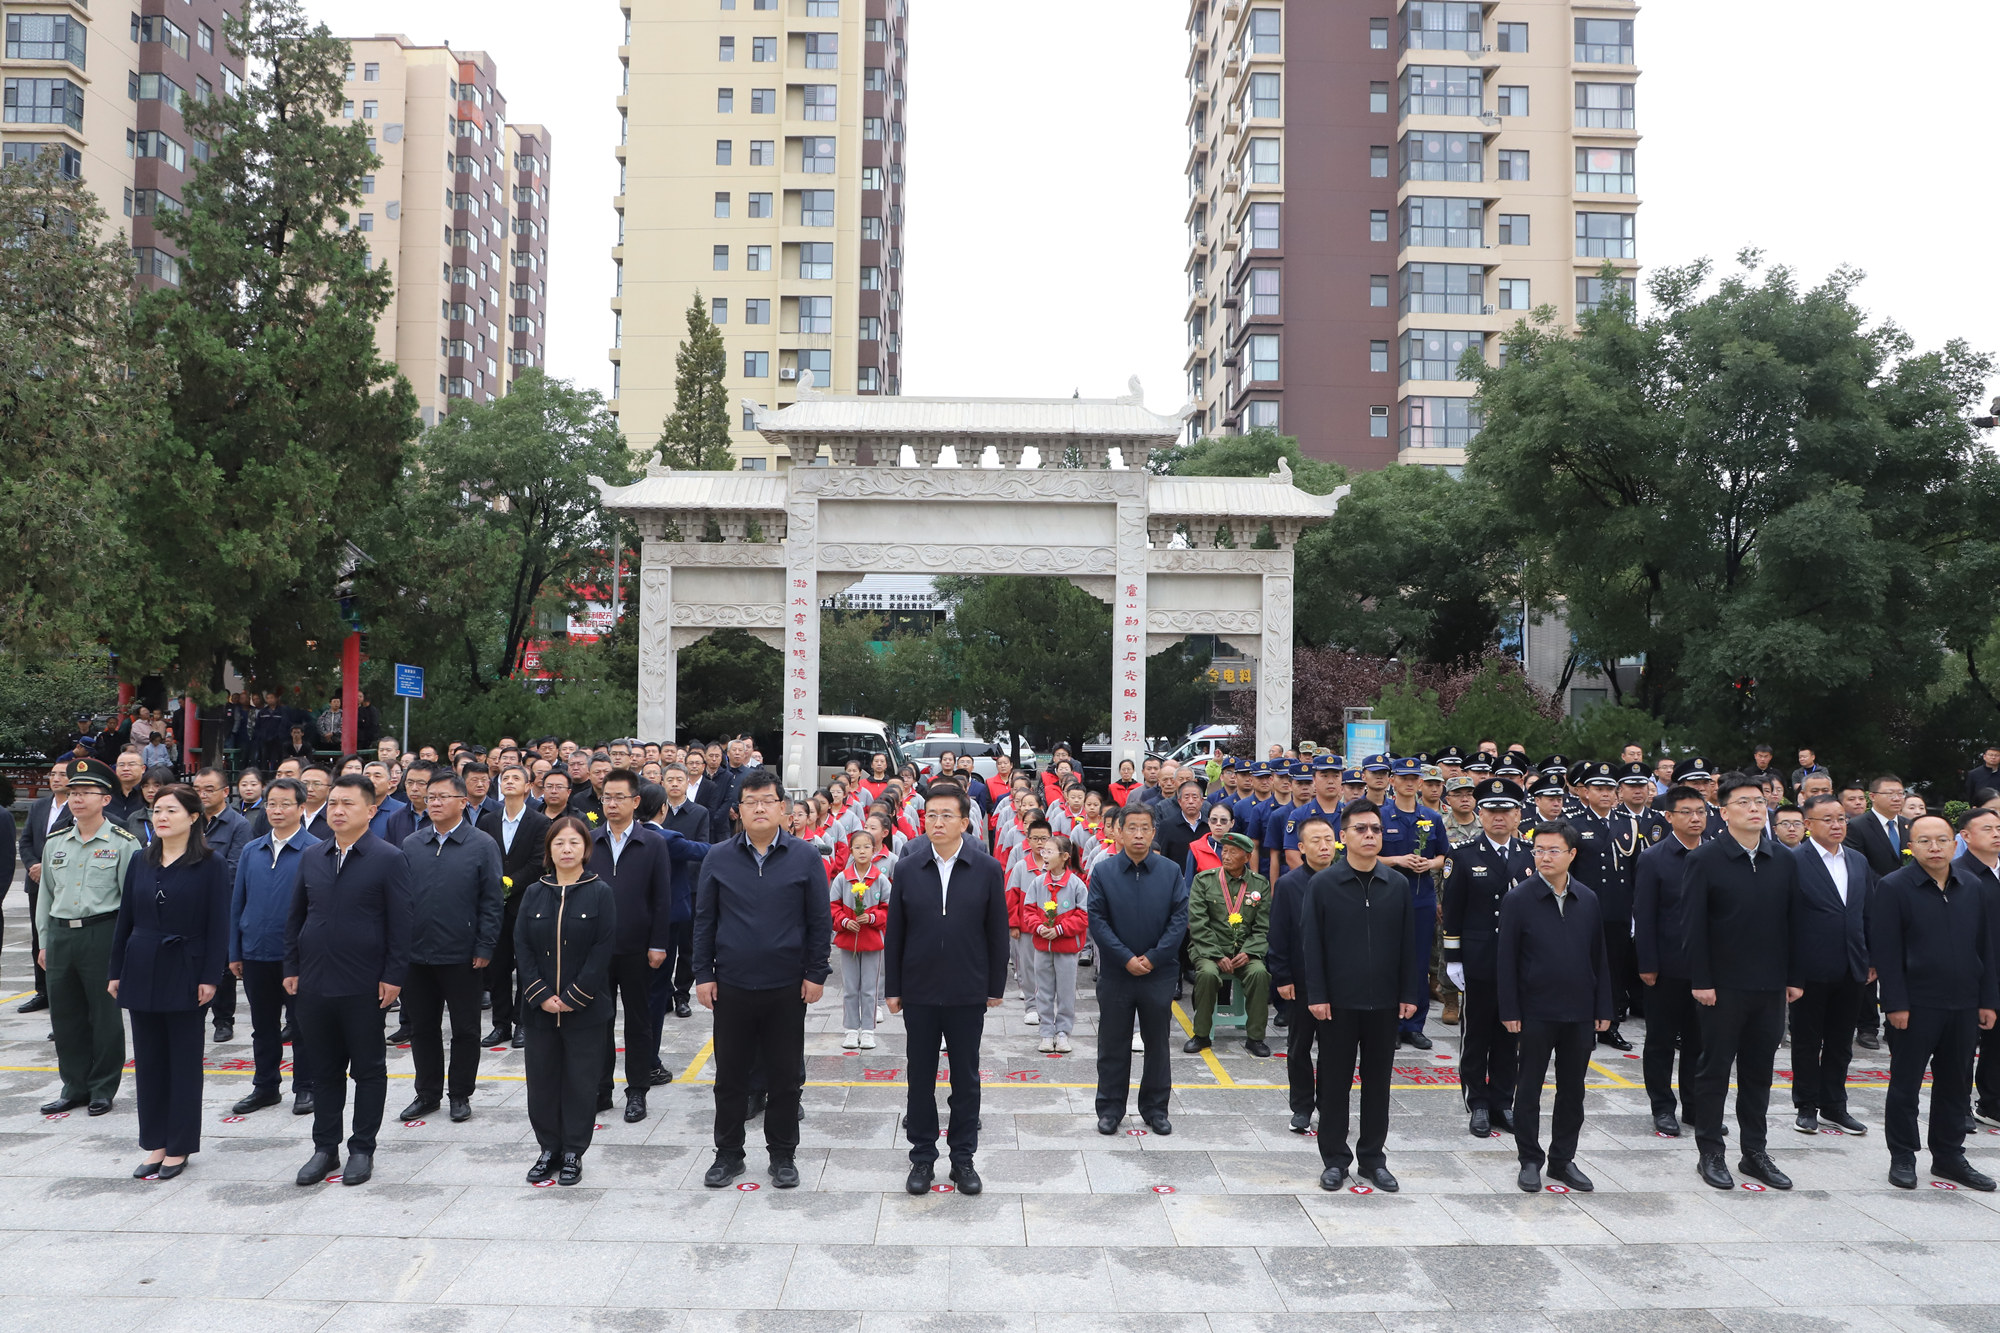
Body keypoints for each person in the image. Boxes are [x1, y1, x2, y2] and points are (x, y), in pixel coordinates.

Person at [693, 769, 832, 1191]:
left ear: (782, 808)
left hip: (786, 986)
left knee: (785, 1077)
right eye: (750, 800)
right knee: (730, 1077)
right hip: (731, 986)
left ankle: (783, 1155)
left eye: (767, 800)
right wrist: (702, 974)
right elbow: (705, 920)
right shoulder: (718, 857)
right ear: (738, 810)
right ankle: (728, 1154)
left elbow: (818, 921)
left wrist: (816, 972)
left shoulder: (805, 857)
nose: (758, 807)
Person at [285, 773, 412, 1188]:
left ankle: (362, 1148)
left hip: (364, 983)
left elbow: (402, 922)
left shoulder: (388, 857)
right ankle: (325, 1148)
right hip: (315, 982)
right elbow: (296, 916)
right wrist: (292, 966)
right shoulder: (312, 855)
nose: (337, 810)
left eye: (348, 804)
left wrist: (394, 975)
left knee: (369, 1069)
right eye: (333, 803)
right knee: (323, 1070)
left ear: (371, 811)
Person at [884, 781, 1009, 1195]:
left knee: (966, 1079)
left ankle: (963, 1160)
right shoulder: (907, 867)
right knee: (920, 1078)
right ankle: (922, 1158)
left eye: (946, 815)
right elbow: (896, 933)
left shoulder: (987, 868)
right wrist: (893, 986)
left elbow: (997, 933)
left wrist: (994, 985)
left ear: (965, 821)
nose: (937, 822)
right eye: (931, 815)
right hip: (918, 990)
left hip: (966, 990)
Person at [1684, 771, 1801, 1191]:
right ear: (1724, 811)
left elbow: (1794, 923)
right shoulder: (1705, 859)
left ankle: (1755, 1151)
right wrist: (1702, 979)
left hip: (1769, 986)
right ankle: (1711, 1152)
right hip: (1721, 986)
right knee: (1714, 1070)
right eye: (1744, 803)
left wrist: (1794, 977)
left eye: (1759, 802)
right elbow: (1693, 926)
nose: (1754, 809)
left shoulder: (1784, 859)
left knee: (1759, 1072)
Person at [108, 784, 231, 1179]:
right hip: (141, 965)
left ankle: (178, 1146)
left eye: (171, 811)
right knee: (149, 1062)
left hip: (186, 967)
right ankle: (155, 1143)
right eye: (157, 810)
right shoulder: (142, 860)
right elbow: (125, 919)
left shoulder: (211, 864)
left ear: (193, 818)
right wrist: (115, 970)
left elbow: (218, 926)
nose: (161, 817)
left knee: (182, 1062)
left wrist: (211, 976)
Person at [1871, 812, 1999, 1190]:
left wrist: (1987, 1000)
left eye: (1942, 840)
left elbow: (1984, 948)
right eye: (1924, 840)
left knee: (1956, 1084)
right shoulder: (1894, 887)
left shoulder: (1971, 886)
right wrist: (1894, 1004)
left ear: (1954, 843)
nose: (1935, 847)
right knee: (1906, 1084)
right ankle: (1903, 1156)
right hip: (1915, 1004)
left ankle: (1948, 1156)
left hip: (1963, 1003)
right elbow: (1887, 952)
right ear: (1911, 846)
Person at [1297, 800, 1418, 1192]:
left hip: (1383, 1003)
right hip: (1337, 1004)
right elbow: (1311, 944)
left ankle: (1372, 1159)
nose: (1370, 835)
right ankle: (1335, 1159)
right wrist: (1316, 994)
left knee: (1378, 1083)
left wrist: (1408, 992)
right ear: (1343, 837)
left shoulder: (1396, 885)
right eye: (1361, 829)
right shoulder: (1324, 885)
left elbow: (1408, 945)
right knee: (1334, 1084)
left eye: (1376, 830)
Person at [1498, 820, 1611, 1192]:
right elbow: (1507, 961)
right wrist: (1510, 1010)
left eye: (1553, 850)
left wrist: (1603, 1007)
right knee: (1528, 1088)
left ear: (1572, 854)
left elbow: (1600, 958)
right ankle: (1530, 1159)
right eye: (1539, 850)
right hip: (1535, 1011)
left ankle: (1563, 1160)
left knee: (1572, 1091)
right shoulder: (1519, 899)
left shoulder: (1588, 899)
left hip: (1579, 1011)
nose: (1544, 857)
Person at [592, 769, 710, 1122]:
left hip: (640, 948)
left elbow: (661, 897)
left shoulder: (653, 842)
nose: (612, 804)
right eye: (607, 798)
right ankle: (600, 1088)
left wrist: (659, 943)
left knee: (639, 1022)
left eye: (619, 798)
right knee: (599, 1021)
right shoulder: (590, 839)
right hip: (598, 949)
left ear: (636, 802)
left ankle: (637, 1090)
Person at [396, 773, 504, 1125]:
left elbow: (491, 901)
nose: (436, 803)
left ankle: (460, 1093)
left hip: (463, 954)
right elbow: (398, 900)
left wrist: (485, 945)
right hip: (416, 955)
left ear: (462, 802)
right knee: (423, 1028)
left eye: (443, 796)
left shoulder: (482, 844)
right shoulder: (412, 844)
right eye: (431, 797)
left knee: (466, 1029)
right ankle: (427, 1093)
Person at [517, 816, 619, 1186]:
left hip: (585, 1010)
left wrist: (576, 995)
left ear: (585, 850)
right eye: (559, 843)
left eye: (574, 843)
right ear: (549, 849)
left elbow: (602, 949)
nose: (566, 849)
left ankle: (574, 1151)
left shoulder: (600, 892)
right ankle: (548, 1149)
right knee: (542, 1081)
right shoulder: (534, 892)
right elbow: (522, 947)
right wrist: (540, 994)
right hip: (540, 1010)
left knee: (580, 1082)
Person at [37, 758, 141, 1116]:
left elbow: (132, 901)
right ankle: (74, 1085)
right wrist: (44, 941)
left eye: (85, 792)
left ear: (106, 799)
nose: (76, 799)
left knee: (104, 1015)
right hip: (62, 936)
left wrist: (126, 947)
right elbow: (46, 896)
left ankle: (102, 1087)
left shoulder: (125, 843)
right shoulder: (55, 843)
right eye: (72, 793)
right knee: (65, 1016)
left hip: (103, 933)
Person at [1442, 777, 1534, 1139]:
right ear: (1480, 814)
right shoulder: (1463, 855)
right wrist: (1453, 959)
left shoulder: (1530, 855)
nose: (1499, 817)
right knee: (1477, 1033)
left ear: (1517, 815)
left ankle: (1502, 1100)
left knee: (1511, 1034)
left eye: (1506, 811)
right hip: (1478, 959)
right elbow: (1452, 911)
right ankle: (1477, 1102)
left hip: (1518, 961)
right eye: (1492, 811)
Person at [1088, 802, 1188, 1136]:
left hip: (1158, 974)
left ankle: (1156, 1108)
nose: (1139, 834)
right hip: (1117, 974)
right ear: (1118, 831)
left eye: (1145, 827)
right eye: (1132, 827)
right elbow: (1098, 921)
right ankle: (1110, 1109)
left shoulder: (1170, 871)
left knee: (1157, 1043)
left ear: (1153, 831)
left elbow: (1179, 921)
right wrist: (1126, 957)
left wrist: (1154, 958)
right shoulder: (1103, 872)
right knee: (1113, 1044)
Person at [229, 777, 318, 1116]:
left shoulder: (315, 849)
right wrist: (235, 950)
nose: (277, 810)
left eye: (285, 804)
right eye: (272, 804)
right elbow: (238, 903)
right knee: (263, 1027)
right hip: (255, 953)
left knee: (302, 1026)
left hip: (297, 957)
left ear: (300, 807)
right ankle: (265, 1086)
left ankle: (305, 1086)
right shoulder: (252, 849)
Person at [1788, 793, 1874, 1136]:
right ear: (1808, 825)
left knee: (1841, 1041)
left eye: (1841, 818)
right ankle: (1806, 1105)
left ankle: (1835, 1105)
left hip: (1852, 965)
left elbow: (1867, 913)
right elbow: (1785, 918)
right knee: (1808, 1041)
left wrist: (1871, 958)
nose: (1837, 824)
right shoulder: (1793, 861)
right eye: (1828, 819)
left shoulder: (1858, 861)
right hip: (1809, 968)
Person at [1632, 786, 1712, 1137]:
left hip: (1707, 969)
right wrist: (1647, 963)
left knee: (1702, 1043)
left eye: (1701, 811)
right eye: (1687, 812)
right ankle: (1663, 1107)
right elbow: (1644, 915)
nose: (1696, 818)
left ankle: (1696, 1108)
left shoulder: (1716, 854)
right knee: (1661, 1041)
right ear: (1669, 817)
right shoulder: (1654, 858)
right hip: (1666, 967)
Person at [1269, 814, 1339, 1132]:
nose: (1324, 846)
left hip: (1339, 982)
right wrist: (1282, 977)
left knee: (1334, 1049)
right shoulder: (1288, 884)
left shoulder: (1347, 878)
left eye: (1328, 839)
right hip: (1300, 982)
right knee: (1299, 1047)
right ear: (1301, 847)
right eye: (1315, 840)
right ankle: (1301, 1106)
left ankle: (1329, 1105)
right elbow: (1279, 934)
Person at [477, 764, 551, 1048]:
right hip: (494, 907)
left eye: (515, 778)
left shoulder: (539, 822)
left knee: (525, 967)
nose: (509, 782)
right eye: (505, 778)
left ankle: (523, 1022)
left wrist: (508, 884)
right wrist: (495, 888)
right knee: (497, 968)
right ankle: (500, 1024)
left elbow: (537, 863)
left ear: (528, 786)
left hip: (525, 903)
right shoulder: (487, 821)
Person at [1185, 831, 1272, 1057]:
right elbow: (1198, 923)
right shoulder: (1204, 880)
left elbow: (1262, 927)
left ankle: (1255, 1037)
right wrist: (1216, 955)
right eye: (1224, 850)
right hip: (1209, 951)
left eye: (1234, 852)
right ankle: (1201, 1034)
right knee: (1206, 975)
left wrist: (1250, 952)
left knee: (1259, 974)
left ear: (1247, 856)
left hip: (1244, 952)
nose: (1226, 855)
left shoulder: (1260, 884)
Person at [654, 762, 713, 1034]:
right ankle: (665, 992)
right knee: (663, 943)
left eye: (680, 779)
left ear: (687, 782)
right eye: (670, 779)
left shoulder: (699, 812)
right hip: (660, 887)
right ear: (663, 783)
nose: (675, 783)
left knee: (688, 945)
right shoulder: (658, 815)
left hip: (689, 886)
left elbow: (701, 849)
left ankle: (682, 994)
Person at [18, 760, 73, 1012]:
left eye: (62, 774)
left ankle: (64, 994)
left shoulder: (78, 807)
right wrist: (32, 865)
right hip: (36, 881)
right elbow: (26, 840)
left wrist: (47, 867)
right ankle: (42, 991)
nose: (56, 778)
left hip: (64, 883)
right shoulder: (40, 806)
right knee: (38, 937)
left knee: (63, 938)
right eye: (53, 774)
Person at [1026, 834, 1088, 1055]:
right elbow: (1029, 911)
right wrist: (1039, 927)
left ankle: (1062, 1032)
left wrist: (1060, 929)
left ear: (1064, 857)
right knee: (1043, 991)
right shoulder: (1037, 882)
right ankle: (1045, 1032)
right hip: (1043, 948)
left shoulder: (1076, 885)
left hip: (1067, 949)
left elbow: (1083, 915)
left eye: (1049, 851)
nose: (1044, 855)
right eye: (1043, 851)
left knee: (1065, 992)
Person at [831, 828, 891, 1051]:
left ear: (874, 850)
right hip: (848, 941)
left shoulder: (880, 879)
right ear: (851, 851)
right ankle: (850, 1029)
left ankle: (868, 1030)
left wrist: (873, 917)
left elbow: (888, 908)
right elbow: (832, 907)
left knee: (869, 988)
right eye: (857, 847)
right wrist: (845, 922)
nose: (862, 851)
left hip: (872, 941)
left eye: (867, 847)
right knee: (849, 987)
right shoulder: (842, 878)